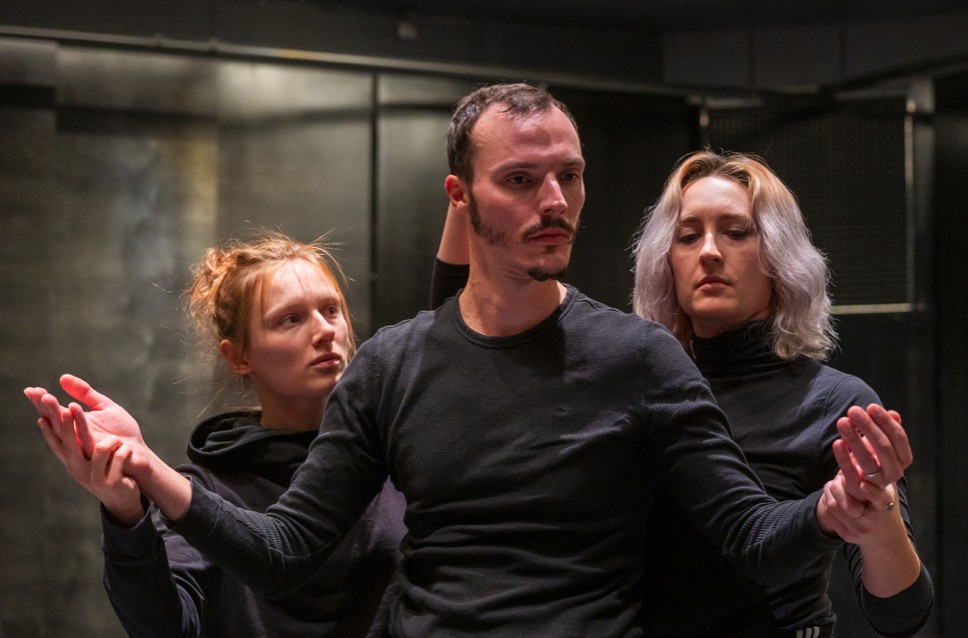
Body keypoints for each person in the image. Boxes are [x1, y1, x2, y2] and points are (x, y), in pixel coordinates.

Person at [26, 83, 910, 638]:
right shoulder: (392, 366)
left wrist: (835, 510)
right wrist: (144, 470)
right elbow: (284, 549)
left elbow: (751, 539)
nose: (554, 201)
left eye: (569, 176)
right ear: (462, 196)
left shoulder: (641, 358)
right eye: (521, 180)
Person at [27, 233, 406, 637]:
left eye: (331, 310)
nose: (325, 330)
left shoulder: (395, 457)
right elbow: (167, 628)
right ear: (238, 356)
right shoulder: (205, 490)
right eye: (291, 319)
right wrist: (125, 513)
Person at [631, 149, 933, 636]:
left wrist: (877, 511)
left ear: (779, 256)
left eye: (735, 232)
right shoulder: (643, 392)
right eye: (687, 236)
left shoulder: (836, 404)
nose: (708, 251)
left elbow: (900, 613)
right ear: (665, 263)